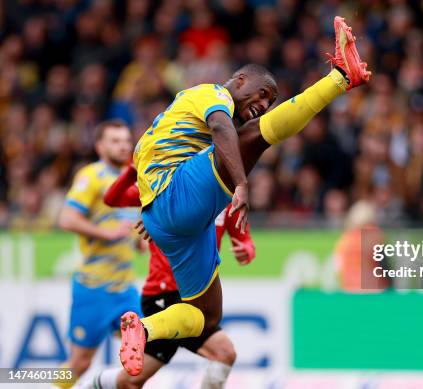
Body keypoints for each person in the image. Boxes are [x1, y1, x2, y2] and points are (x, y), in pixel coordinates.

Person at [120, 16, 370, 376]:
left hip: (175, 224)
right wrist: (241, 183)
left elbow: (145, 155)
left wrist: (154, 209)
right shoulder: (211, 94)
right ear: (239, 80)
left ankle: (144, 329)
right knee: (253, 136)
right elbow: (222, 129)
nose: (263, 104)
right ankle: (341, 78)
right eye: (262, 94)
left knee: (206, 316)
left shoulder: (178, 125)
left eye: (270, 102)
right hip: (175, 201)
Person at [82, 164, 254, 389]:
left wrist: (247, 250)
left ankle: (92, 385)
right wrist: (133, 170)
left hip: (195, 294)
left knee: (132, 381)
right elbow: (113, 198)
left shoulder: (227, 197)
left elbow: (245, 239)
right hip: (165, 293)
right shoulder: (164, 189)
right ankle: (138, 332)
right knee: (224, 353)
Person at [56, 120, 140, 388]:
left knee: (142, 354)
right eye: (114, 141)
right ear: (99, 146)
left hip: (125, 287)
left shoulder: (135, 177)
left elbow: (134, 226)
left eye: (126, 140)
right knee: (80, 363)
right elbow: (67, 219)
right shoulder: (91, 176)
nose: (123, 145)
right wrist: (108, 233)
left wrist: (141, 240)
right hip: (93, 287)